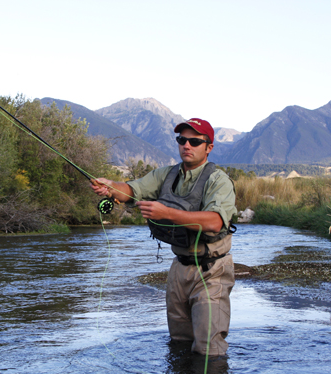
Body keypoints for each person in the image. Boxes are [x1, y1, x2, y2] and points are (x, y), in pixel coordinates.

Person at [90, 118, 236, 356]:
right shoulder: (165, 174)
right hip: (179, 269)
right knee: (178, 341)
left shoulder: (218, 180)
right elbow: (131, 189)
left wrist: (166, 213)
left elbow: (215, 221)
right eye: (182, 140)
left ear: (209, 147)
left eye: (195, 141)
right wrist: (111, 186)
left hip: (212, 270)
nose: (186, 145)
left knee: (208, 349)